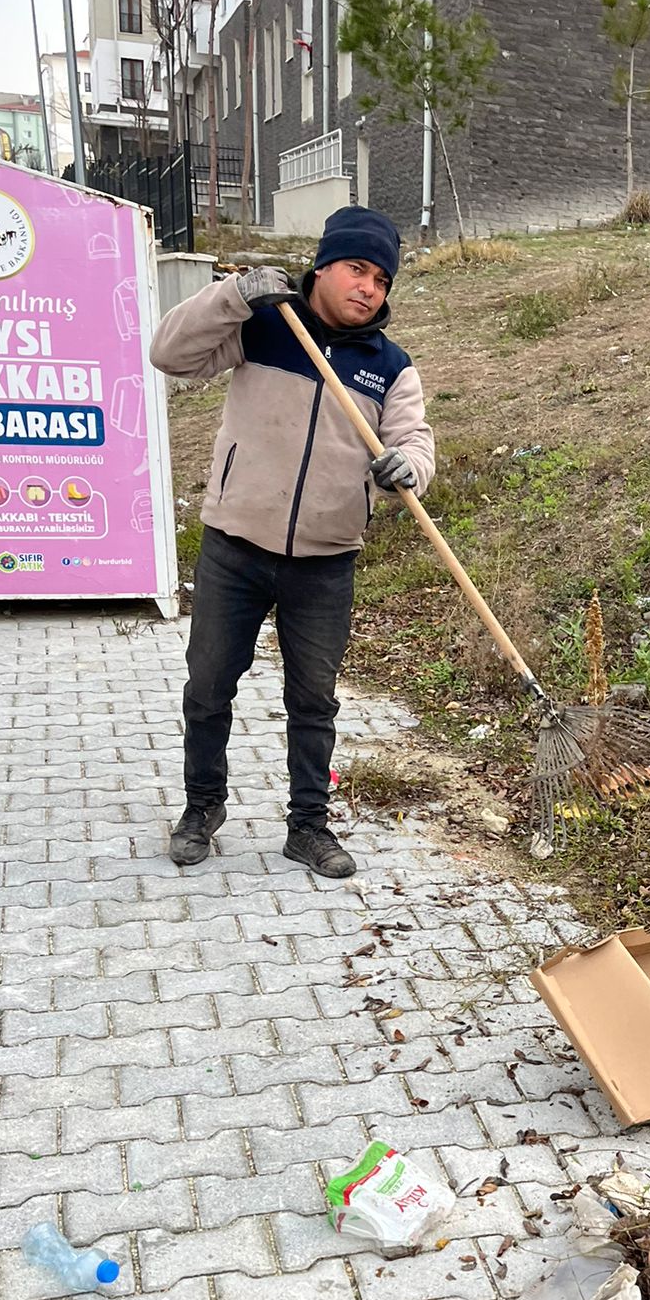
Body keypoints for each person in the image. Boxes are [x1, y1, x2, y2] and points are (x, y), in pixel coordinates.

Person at [149, 207, 434, 878]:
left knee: (315, 700)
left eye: (382, 280)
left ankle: (308, 827)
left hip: (326, 561)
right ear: (323, 266)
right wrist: (234, 295)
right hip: (235, 546)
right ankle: (202, 807)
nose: (370, 288)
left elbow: (415, 440)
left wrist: (408, 469)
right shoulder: (263, 327)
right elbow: (169, 354)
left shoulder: (389, 365)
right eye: (357, 270)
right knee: (209, 685)